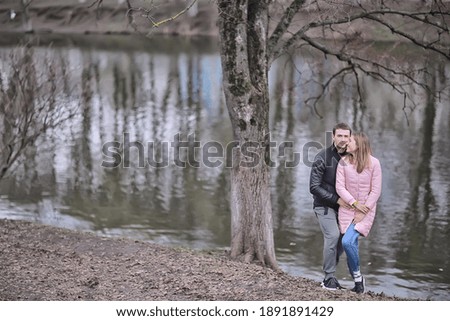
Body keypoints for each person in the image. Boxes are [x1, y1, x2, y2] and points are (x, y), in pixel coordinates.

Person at [335, 132, 382, 294]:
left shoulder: (374, 163)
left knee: (347, 242)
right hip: (348, 209)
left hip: (366, 211)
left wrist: (364, 210)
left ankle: (358, 280)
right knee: (350, 245)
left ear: (359, 145)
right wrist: (353, 203)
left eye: (351, 140)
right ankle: (358, 283)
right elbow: (339, 187)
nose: (347, 142)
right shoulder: (343, 162)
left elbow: (375, 191)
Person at [309, 123, 352, 290]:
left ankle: (331, 273)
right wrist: (336, 200)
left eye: (345, 136)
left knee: (345, 241)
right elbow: (313, 187)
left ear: (350, 138)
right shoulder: (322, 157)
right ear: (333, 136)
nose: (342, 139)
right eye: (339, 136)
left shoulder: (353, 157)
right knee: (333, 235)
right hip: (324, 206)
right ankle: (329, 278)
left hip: (346, 208)